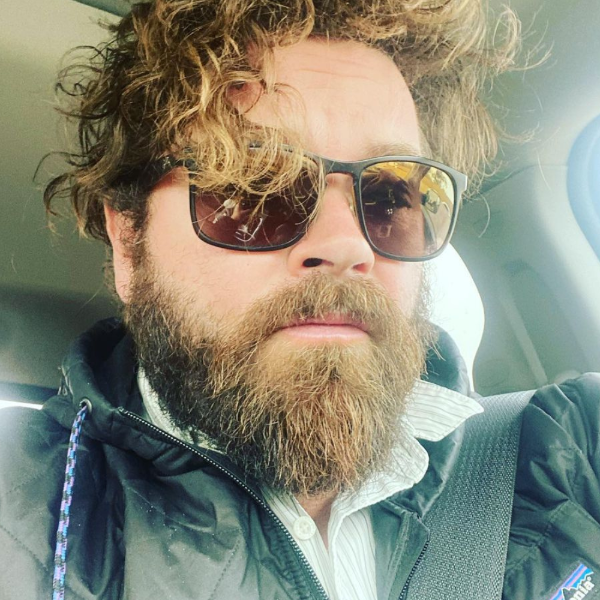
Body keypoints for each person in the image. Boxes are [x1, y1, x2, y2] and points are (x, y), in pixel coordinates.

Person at [1, 0, 599, 598]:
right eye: (255, 187)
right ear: (129, 243)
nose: (346, 245)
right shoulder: (22, 523)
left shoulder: (571, 449)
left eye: (391, 196)